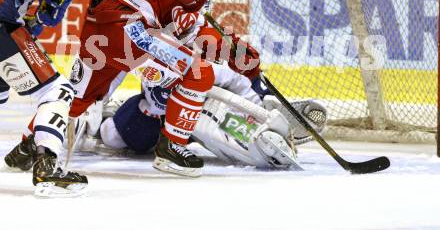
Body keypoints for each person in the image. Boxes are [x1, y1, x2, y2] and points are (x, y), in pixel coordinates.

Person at [66, 0, 260, 177]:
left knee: (80, 97)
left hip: (123, 34)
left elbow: (193, 28)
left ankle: (35, 143)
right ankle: (171, 148)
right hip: (127, 25)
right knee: (197, 74)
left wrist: (229, 48)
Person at [0, 0, 87, 196]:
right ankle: (46, 168)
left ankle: (26, 152)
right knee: (58, 92)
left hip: (6, 19)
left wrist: (30, 19)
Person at [79, 62, 327, 170]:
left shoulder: (203, 61)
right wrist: (95, 100)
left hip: (204, 110)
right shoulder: (152, 46)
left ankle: (261, 134)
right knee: (111, 136)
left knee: (215, 128)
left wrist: (259, 111)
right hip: (158, 115)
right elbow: (117, 66)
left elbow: (236, 81)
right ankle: (109, 117)